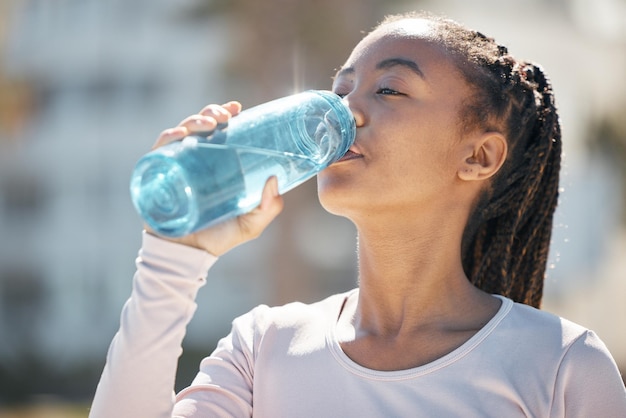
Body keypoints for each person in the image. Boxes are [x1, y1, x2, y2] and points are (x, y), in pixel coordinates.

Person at [89, 11, 626, 417]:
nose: (344, 111)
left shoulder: (560, 366)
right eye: (339, 89)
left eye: (388, 88)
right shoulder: (265, 347)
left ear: (478, 156)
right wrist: (172, 257)